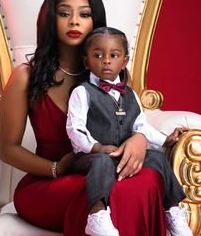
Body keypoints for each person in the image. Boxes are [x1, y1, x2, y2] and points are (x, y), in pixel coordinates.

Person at [0, 0, 177, 236]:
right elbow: (8, 149)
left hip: (106, 172)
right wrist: (57, 168)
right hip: (50, 183)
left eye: (84, 14)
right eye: (64, 13)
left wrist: (138, 140)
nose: (74, 22)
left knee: (144, 181)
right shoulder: (25, 77)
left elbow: (133, 125)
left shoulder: (115, 75)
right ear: (50, 19)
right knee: (111, 191)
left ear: (96, 21)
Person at [66, 26, 193, 236]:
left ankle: (172, 211)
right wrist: (97, 147)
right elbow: (74, 128)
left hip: (124, 154)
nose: (106, 60)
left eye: (113, 55)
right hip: (89, 156)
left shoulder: (131, 94)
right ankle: (97, 216)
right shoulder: (82, 92)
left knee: (158, 160)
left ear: (124, 61)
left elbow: (140, 127)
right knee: (102, 161)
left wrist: (166, 141)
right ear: (86, 61)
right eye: (98, 55)